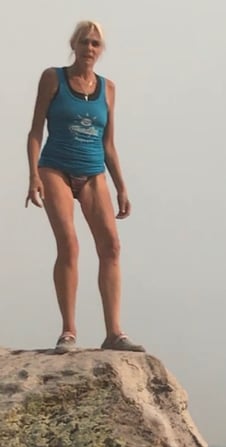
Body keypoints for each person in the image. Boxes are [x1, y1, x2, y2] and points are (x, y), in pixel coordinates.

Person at [26, 20, 144, 353]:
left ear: (100, 50)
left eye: (95, 44)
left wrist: (121, 186)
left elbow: (108, 143)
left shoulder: (108, 89)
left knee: (111, 247)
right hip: (56, 168)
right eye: (84, 42)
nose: (89, 49)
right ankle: (68, 332)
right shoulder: (54, 78)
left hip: (93, 172)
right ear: (73, 45)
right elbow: (36, 130)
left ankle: (114, 333)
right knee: (70, 245)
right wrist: (33, 173)